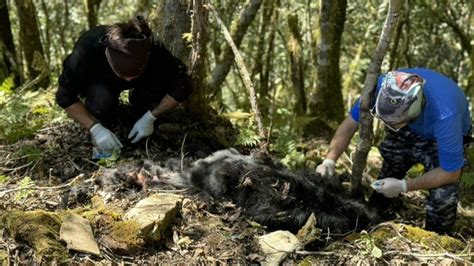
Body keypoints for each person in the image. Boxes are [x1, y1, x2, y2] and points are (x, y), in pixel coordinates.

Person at [315, 68, 472, 234]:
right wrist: (329, 160)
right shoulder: (383, 87)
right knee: (392, 164)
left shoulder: (446, 116)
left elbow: (450, 172)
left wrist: (404, 186)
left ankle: (437, 235)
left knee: (444, 192)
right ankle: (374, 214)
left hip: (438, 134)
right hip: (406, 123)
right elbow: (349, 124)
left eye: (394, 122)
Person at [56, 16, 192, 154]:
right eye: (123, 75)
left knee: (146, 101)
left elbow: (182, 84)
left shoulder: (154, 48)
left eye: (133, 75)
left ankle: (141, 112)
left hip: (144, 83)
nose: (128, 80)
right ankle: (104, 124)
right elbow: (65, 96)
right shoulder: (87, 49)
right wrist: (95, 128)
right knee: (101, 103)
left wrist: (150, 117)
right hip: (101, 84)